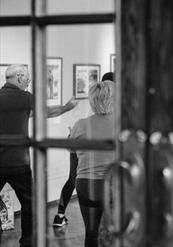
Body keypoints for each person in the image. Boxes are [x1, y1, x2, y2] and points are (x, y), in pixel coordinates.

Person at [0, 64, 78, 247]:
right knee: (30, 204)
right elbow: (48, 112)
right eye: (27, 78)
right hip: (19, 163)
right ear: (19, 77)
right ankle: (27, 242)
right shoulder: (25, 98)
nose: (28, 82)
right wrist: (67, 107)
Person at [53, 72, 115, 227]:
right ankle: (60, 214)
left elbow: (72, 143)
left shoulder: (82, 122)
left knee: (73, 178)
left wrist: (74, 135)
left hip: (86, 176)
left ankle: (60, 214)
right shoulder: (120, 121)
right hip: (109, 179)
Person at [68, 80, 115, 247]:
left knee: (91, 232)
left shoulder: (80, 125)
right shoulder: (122, 124)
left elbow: (73, 154)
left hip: (86, 183)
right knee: (115, 232)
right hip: (113, 184)